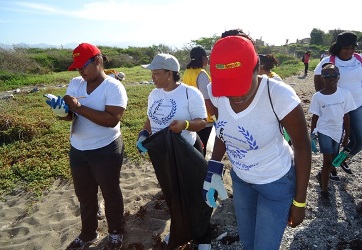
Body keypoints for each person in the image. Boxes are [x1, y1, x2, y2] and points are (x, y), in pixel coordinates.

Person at [202, 30, 311, 250]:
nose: (235, 95)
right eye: (228, 87)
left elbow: (302, 146)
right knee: (248, 243)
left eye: (240, 84)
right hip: (242, 181)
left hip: (276, 182)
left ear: (257, 66)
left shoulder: (279, 95)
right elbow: (225, 130)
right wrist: (212, 169)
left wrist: (299, 201)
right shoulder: (214, 92)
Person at [46, 43, 128, 250]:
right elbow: (70, 116)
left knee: (110, 192)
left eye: (83, 66)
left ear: (98, 61)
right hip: (79, 149)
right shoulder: (76, 83)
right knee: (85, 194)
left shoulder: (114, 87)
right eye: (77, 68)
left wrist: (78, 107)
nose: (80, 71)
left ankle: (116, 231)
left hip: (106, 148)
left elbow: (112, 120)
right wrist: (62, 110)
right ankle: (88, 233)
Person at [137, 53, 212, 250]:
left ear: (170, 74)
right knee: (172, 194)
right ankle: (181, 228)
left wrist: (185, 124)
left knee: (195, 195)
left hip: (185, 152)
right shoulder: (154, 94)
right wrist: (144, 133)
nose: (153, 77)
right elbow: (150, 118)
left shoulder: (189, 93)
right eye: (152, 73)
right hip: (163, 154)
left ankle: (203, 237)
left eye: (157, 73)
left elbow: (202, 122)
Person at [314, 31, 362, 177]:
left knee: (359, 140)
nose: (349, 51)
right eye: (346, 48)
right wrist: (326, 101)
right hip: (336, 107)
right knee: (336, 139)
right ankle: (329, 170)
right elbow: (317, 80)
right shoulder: (329, 61)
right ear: (338, 47)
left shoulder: (359, 59)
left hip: (357, 105)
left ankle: (339, 161)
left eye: (352, 48)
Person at [309, 63, 356, 199]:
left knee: (335, 158)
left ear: (338, 77)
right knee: (327, 161)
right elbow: (315, 117)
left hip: (337, 130)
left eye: (334, 75)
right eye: (327, 76)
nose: (331, 78)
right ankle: (324, 191)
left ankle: (321, 175)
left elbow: (346, 116)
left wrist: (347, 134)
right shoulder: (318, 97)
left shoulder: (345, 94)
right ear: (322, 78)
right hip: (324, 130)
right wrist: (312, 134)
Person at [182, 46, 216, 157]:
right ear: (202, 58)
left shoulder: (187, 72)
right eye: (206, 57)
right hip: (204, 119)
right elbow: (206, 99)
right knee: (202, 148)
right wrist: (215, 117)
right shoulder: (201, 74)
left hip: (190, 115)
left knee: (194, 146)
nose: (207, 59)